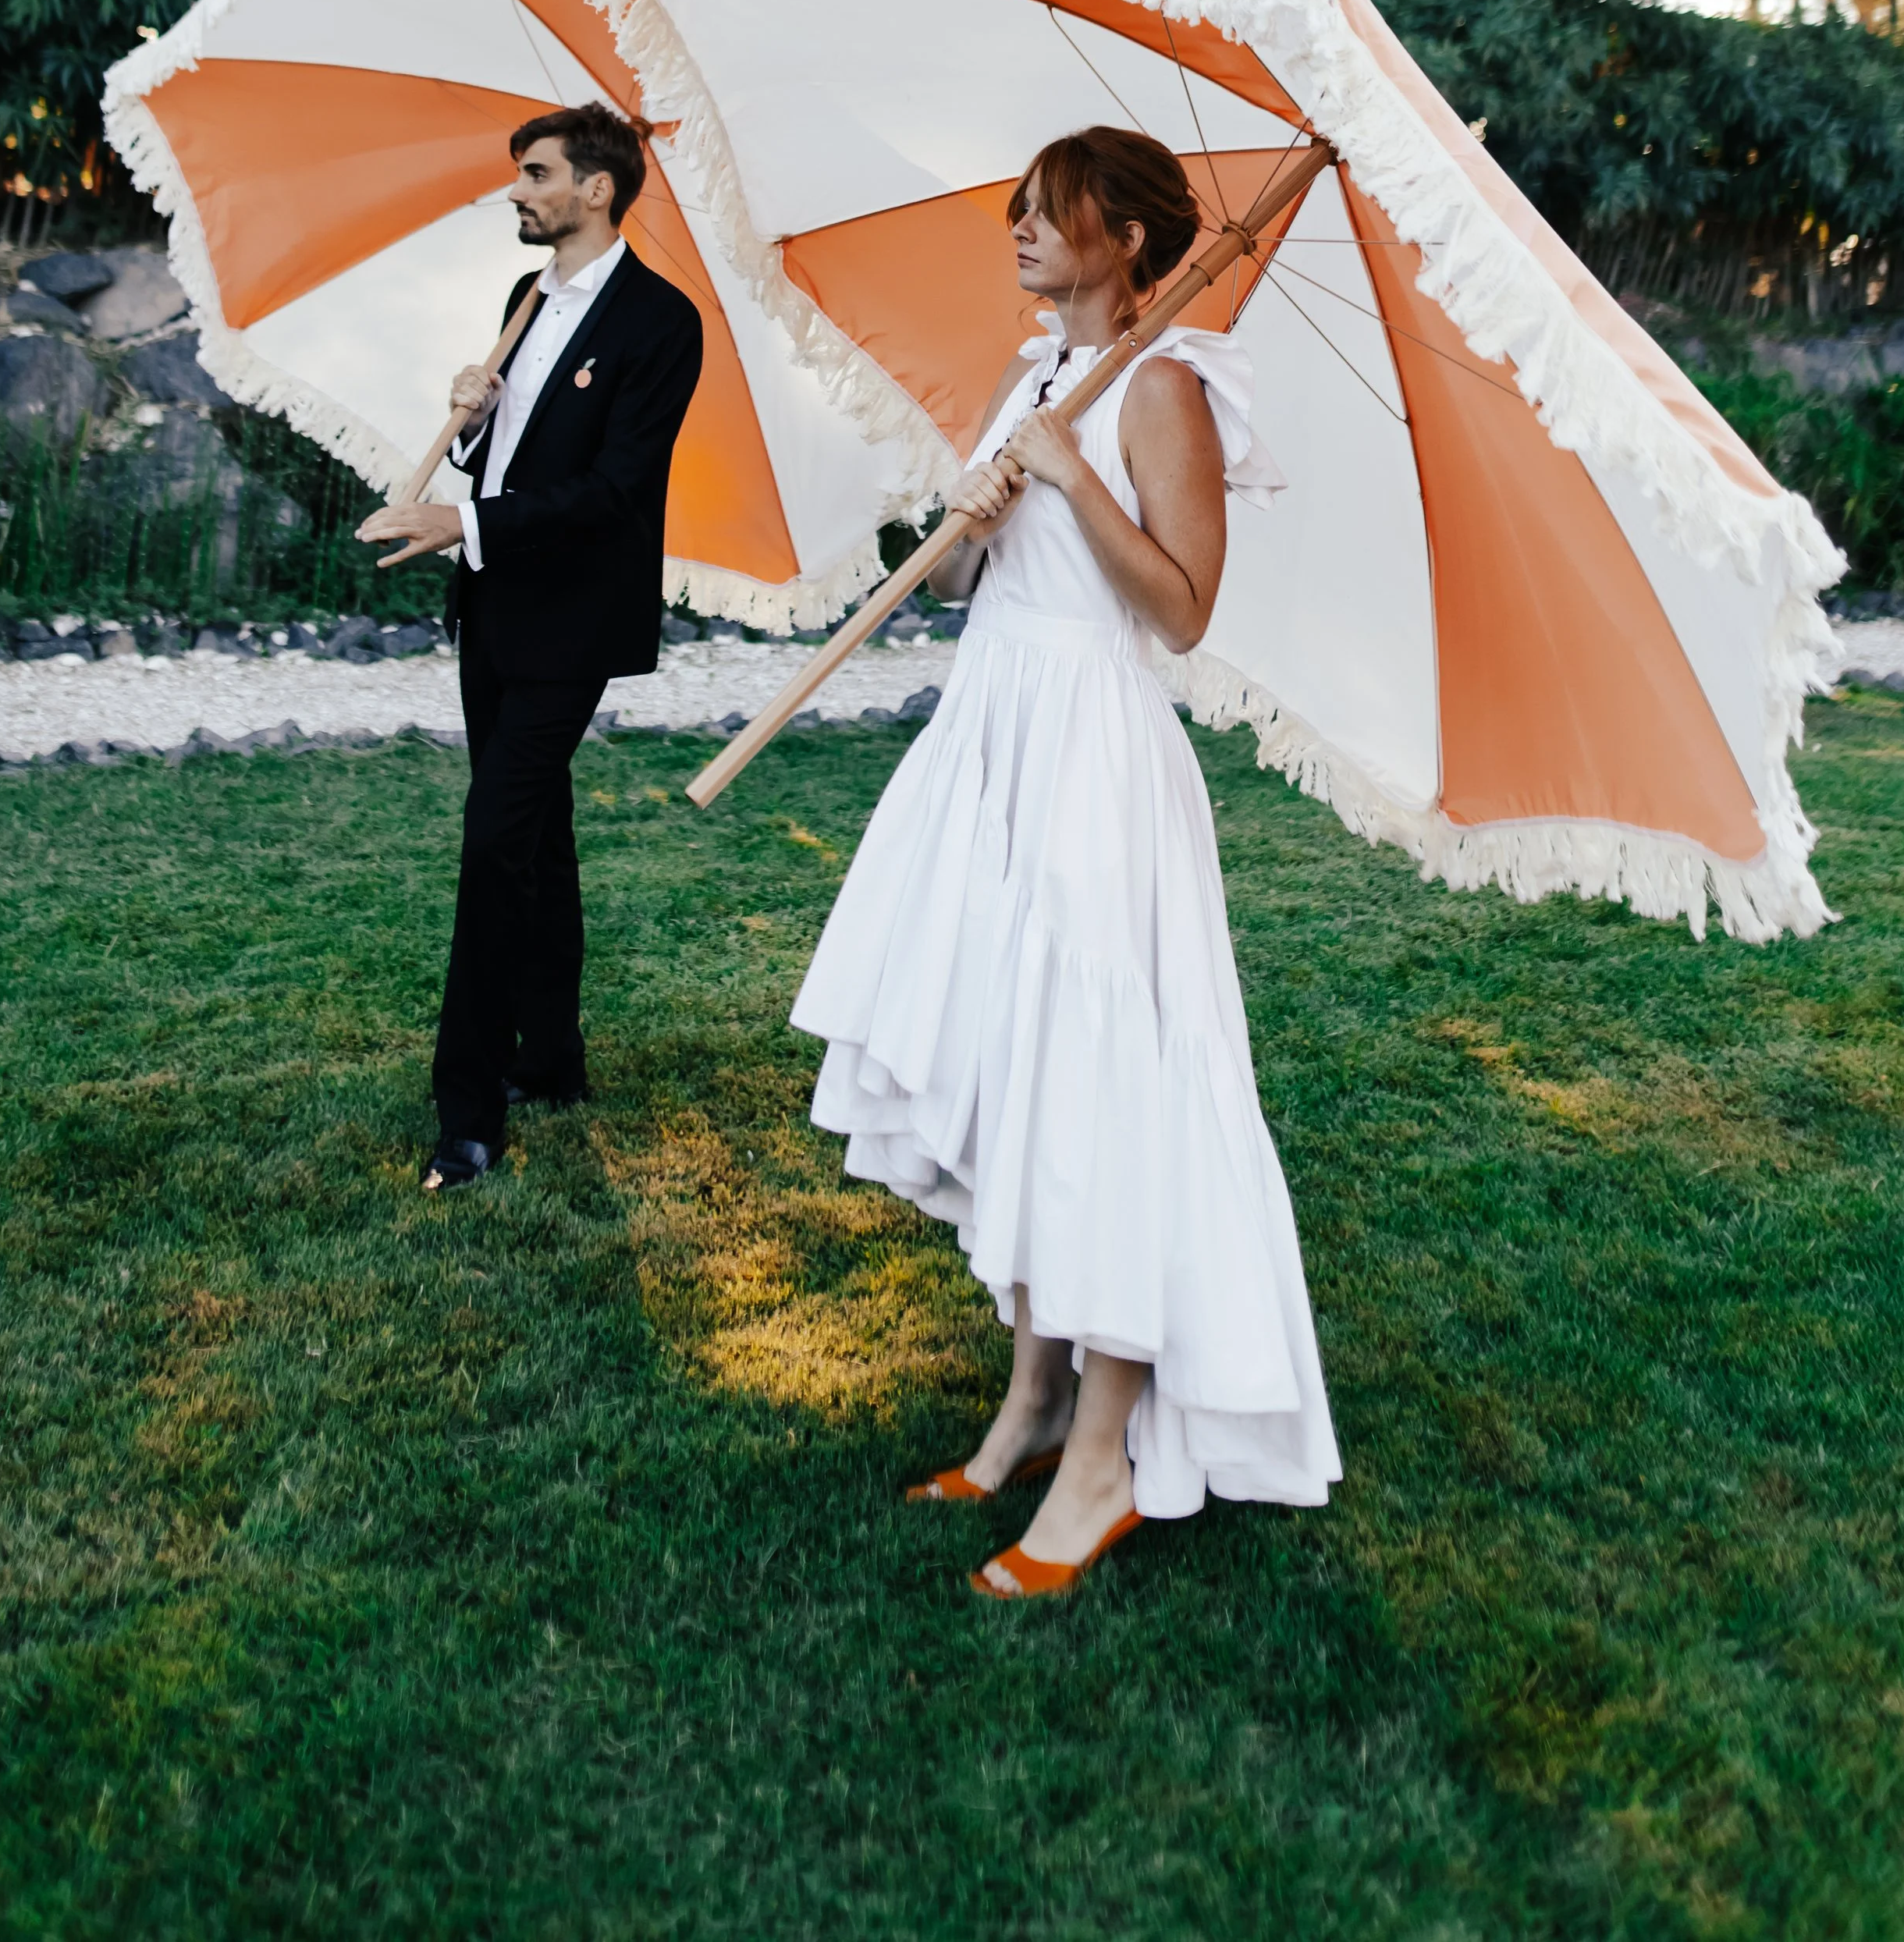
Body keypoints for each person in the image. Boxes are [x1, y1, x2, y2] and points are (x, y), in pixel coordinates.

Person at [790, 126, 1340, 1597]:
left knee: (1096, 1088)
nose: (1021, 231)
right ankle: (1031, 1399)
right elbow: (974, 574)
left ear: (1134, 240)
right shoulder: (1035, 375)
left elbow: (1182, 610)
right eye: (1018, 211)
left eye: (1050, 213)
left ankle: (1102, 1453)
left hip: (1094, 753)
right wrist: (969, 518)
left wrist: (1072, 481)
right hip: (990, 741)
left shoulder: (1163, 386)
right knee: (1008, 1062)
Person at [361, 102, 702, 1192]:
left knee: (495, 837)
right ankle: (551, 1056)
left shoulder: (662, 322)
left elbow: (612, 493)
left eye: (536, 172)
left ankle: (466, 1114)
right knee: (538, 829)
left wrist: (459, 521)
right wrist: (473, 419)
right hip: (491, 602)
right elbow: (504, 467)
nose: (518, 189)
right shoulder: (524, 298)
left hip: (573, 619)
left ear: (596, 188)